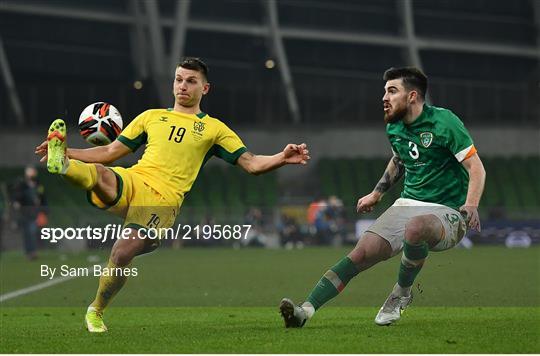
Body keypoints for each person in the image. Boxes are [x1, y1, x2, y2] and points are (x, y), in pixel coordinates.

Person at [35, 57, 310, 332]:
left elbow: (252, 164)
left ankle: (95, 310)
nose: (183, 86)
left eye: (191, 81)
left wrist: (281, 157)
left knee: (121, 253)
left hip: (162, 202)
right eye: (179, 79)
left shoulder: (214, 129)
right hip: (135, 180)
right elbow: (109, 152)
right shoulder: (151, 117)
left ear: (205, 88)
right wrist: (65, 150)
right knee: (100, 171)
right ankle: (64, 164)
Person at [279, 66, 485, 328]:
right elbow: (400, 159)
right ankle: (304, 311)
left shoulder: (445, 122)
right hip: (407, 204)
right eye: (384, 91)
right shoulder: (395, 127)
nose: (384, 97)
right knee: (360, 254)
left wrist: (471, 205)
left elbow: (476, 166)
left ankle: (400, 294)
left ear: (412, 96)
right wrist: (377, 192)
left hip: (448, 210)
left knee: (416, 228)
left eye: (392, 91)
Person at [11, 166, 47, 260]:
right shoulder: (21, 185)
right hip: (25, 212)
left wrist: (44, 209)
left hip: (35, 212)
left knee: (32, 232)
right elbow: (16, 196)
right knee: (27, 232)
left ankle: (33, 252)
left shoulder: (38, 185)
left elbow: (42, 197)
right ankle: (30, 252)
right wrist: (16, 202)